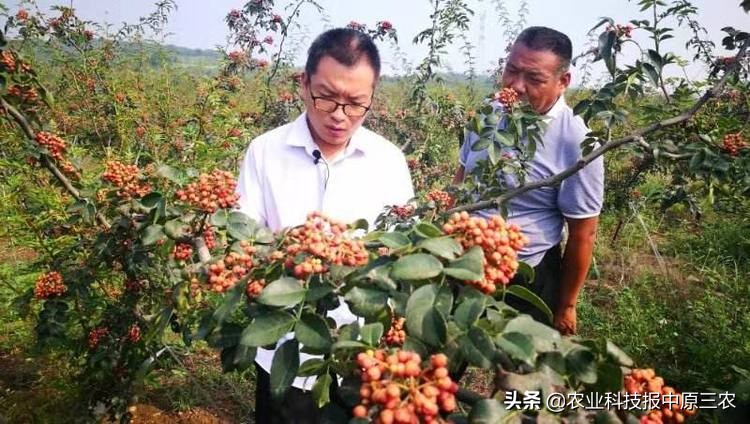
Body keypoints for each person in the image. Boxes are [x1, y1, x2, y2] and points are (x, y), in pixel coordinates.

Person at [236, 28, 414, 423]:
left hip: (362, 354)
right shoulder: (265, 152)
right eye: (326, 97)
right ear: (304, 83)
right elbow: (244, 241)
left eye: (355, 103)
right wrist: (288, 254)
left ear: (373, 95)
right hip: (283, 347)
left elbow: (403, 251)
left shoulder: (388, 161)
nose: (339, 114)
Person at [453, 26, 604, 336]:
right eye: (511, 71)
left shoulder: (577, 140)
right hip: (462, 258)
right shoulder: (488, 114)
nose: (516, 86)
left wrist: (567, 305)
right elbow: (461, 180)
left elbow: (583, 233)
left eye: (534, 79)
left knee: (519, 374)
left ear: (563, 82)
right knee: (441, 359)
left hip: (525, 272)